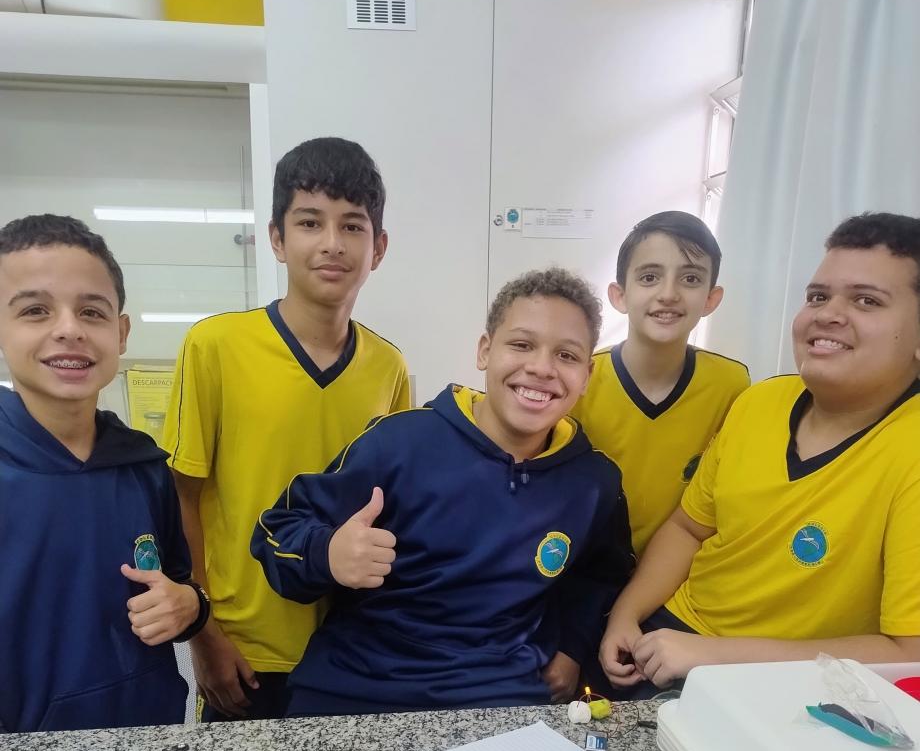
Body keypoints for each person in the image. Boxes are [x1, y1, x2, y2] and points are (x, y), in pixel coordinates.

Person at [252, 267, 634, 716]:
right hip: (356, 689)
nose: (541, 367)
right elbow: (278, 529)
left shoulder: (594, 482)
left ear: (587, 375)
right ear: (485, 350)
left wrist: (571, 646)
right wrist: (328, 553)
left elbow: (600, 576)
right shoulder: (398, 442)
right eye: (521, 345)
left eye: (566, 355)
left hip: (501, 696)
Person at [600, 211, 920, 692]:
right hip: (664, 633)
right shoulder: (759, 401)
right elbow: (689, 527)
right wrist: (626, 614)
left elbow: (909, 654)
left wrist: (714, 657)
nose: (827, 314)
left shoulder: (908, 448)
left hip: (781, 681)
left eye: (866, 301)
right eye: (818, 296)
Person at [162, 137, 409, 722]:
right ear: (277, 238)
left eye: (352, 226)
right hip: (246, 651)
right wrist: (205, 634)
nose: (332, 243)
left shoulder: (389, 368)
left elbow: (393, 505)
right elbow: (181, 497)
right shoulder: (215, 346)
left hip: (355, 650)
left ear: (378, 248)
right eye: (310, 222)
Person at [0, 214, 208, 733]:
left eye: (91, 311)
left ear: (121, 332)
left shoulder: (146, 466)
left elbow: (179, 588)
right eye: (35, 310)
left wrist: (189, 606)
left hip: (148, 738)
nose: (69, 328)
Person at [573, 210, 748, 555]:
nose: (668, 294)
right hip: (584, 565)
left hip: (680, 569)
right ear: (620, 295)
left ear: (711, 299)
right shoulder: (581, 378)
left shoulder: (731, 385)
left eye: (691, 279)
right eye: (650, 277)